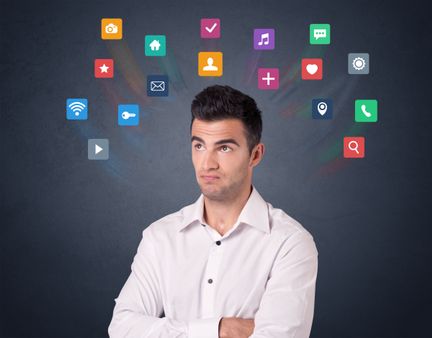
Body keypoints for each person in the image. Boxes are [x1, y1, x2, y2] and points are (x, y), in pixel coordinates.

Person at [108, 85, 318, 338]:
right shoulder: (160, 236)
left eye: (224, 148)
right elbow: (122, 328)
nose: (207, 163)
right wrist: (220, 330)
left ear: (255, 155)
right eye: (199, 146)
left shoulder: (290, 243)